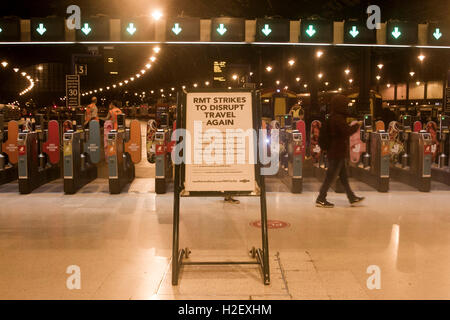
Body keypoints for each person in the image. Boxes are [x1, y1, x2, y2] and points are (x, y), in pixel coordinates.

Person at [316, 94, 365, 208]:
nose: (347, 107)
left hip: (336, 151)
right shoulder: (337, 118)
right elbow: (346, 132)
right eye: (345, 105)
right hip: (336, 152)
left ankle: (351, 197)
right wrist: (357, 126)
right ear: (340, 105)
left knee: (343, 177)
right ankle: (321, 198)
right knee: (330, 176)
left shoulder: (333, 117)